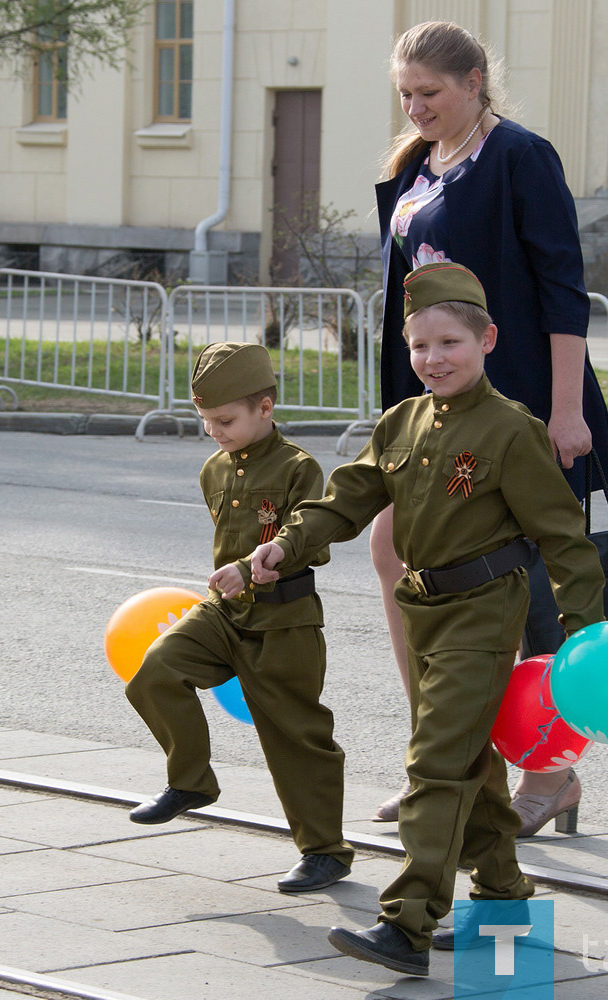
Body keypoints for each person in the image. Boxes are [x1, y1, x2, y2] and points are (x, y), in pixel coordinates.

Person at [227, 262, 606, 977]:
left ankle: (407, 925)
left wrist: (584, 641)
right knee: (470, 765)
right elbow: (346, 499)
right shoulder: (402, 421)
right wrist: (284, 545)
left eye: (449, 343)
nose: (433, 359)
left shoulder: (510, 430)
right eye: (420, 346)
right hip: (425, 610)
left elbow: (564, 538)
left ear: (488, 339)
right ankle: (502, 904)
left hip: (485, 614)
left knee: (434, 762)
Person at [370, 19, 608, 832]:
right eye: (406, 93)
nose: (416, 106)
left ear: (474, 81)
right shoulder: (412, 165)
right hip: (434, 409)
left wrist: (567, 409)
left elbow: (561, 288)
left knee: (530, 594)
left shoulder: (519, 157)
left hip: (521, 410)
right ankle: (442, 762)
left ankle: (551, 768)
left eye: (430, 92)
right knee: (397, 552)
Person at [125, 342, 353, 894]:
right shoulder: (213, 471)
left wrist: (258, 568)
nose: (215, 432)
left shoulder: (300, 468)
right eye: (206, 422)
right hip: (224, 614)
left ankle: (325, 851)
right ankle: (192, 782)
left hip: (285, 620)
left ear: (265, 408)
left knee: (294, 734)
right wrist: (234, 580)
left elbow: (312, 544)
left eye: (225, 420)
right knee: (156, 671)